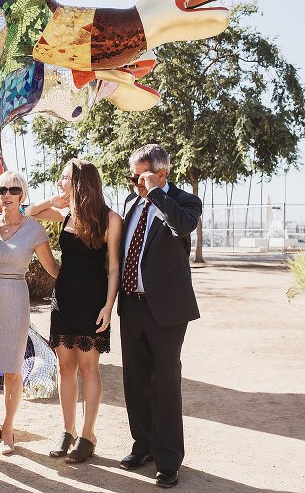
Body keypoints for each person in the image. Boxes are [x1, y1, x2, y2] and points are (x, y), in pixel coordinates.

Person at [26, 158, 122, 464]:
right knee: (65, 368)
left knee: (88, 368)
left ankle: (87, 434)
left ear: (81, 182)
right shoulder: (64, 212)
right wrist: (51, 200)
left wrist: (109, 307)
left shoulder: (111, 219)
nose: (59, 182)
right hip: (63, 299)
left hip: (93, 300)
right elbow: (29, 213)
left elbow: (114, 268)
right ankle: (66, 432)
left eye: (64, 178)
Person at [116, 144, 201, 488]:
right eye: (132, 175)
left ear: (161, 173)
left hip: (165, 309)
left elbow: (183, 228)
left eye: (140, 175)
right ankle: (144, 446)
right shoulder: (129, 202)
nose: (134, 181)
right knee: (135, 381)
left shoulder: (184, 202)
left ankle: (168, 461)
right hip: (131, 305)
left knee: (165, 384)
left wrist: (155, 194)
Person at [0, 171, 59, 456]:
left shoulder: (34, 229)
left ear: (22, 195)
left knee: (12, 369)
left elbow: (53, 269)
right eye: (1, 190)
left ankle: (8, 428)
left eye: (13, 190)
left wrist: (87, 285)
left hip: (15, 300)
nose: (6, 195)